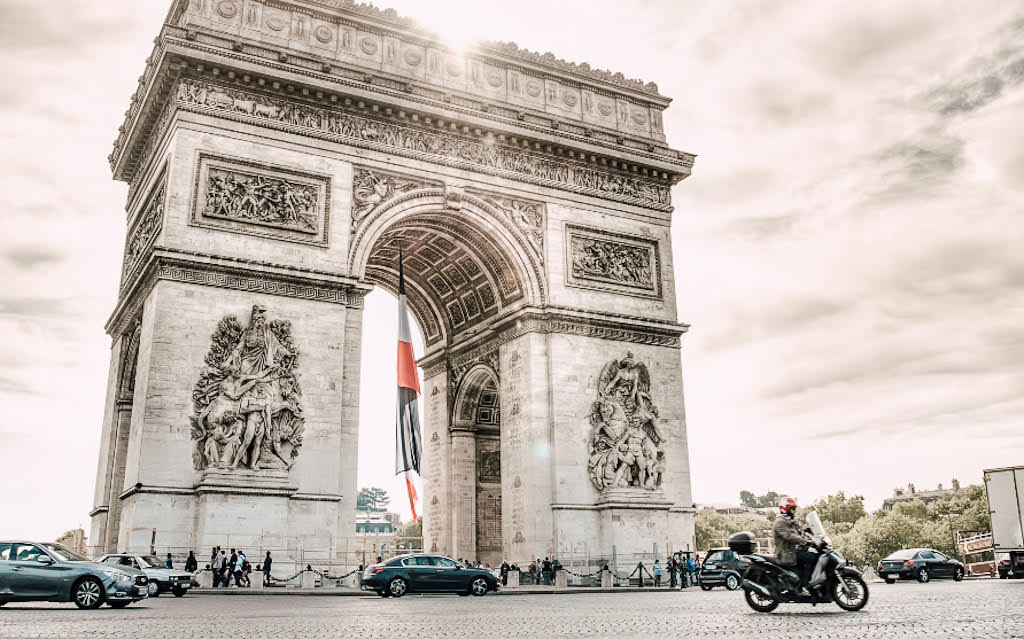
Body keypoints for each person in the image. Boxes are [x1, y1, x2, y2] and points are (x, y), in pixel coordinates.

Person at [773, 496, 817, 594]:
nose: (794, 511)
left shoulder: (790, 520)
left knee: (812, 557)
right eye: (792, 509)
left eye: (794, 509)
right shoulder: (780, 522)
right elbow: (790, 536)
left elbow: (800, 530)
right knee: (812, 558)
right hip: (786, 554)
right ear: (785, 509)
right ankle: (804, 586)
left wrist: (812, 534)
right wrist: (807, 542)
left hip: (793, 551)